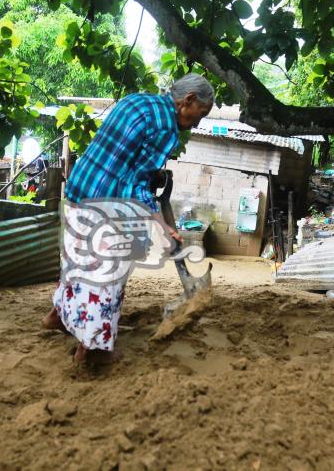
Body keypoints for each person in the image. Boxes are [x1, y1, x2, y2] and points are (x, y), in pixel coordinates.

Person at [41, 73, 214, 364]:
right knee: (108, 277)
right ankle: (91, 350)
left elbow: (122, 156)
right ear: (189, 101)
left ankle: (57, 316)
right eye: (202, 113)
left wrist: (153, 175)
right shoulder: (165, 128)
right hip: (107, 204)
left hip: (80, 190)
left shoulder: (138, 101)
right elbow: (136, 184)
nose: (199, 122)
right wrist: (161, 224)